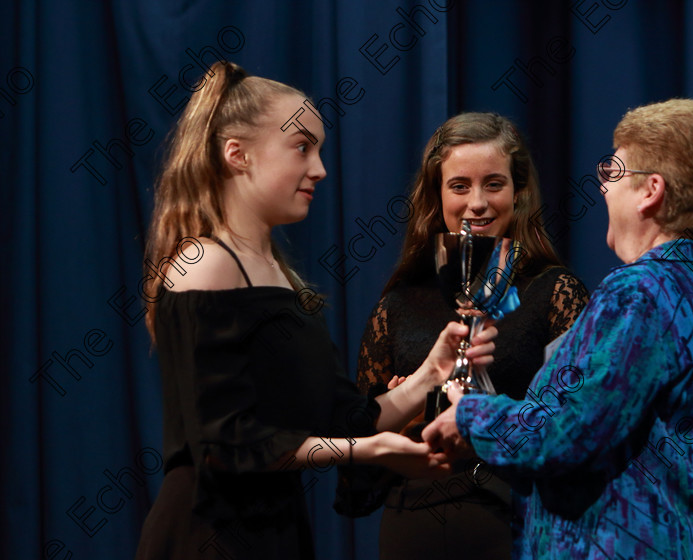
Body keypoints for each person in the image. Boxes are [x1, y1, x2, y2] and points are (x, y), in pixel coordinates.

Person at [134, 61, 497, 560]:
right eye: (302, 147)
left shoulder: (282, 277)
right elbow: (224, 443)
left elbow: (347, 418)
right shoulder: (204, 266)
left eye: (319, 149)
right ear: (237, 155)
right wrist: (366, 451)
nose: (320, 169)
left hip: (276, 533)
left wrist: (429, 376)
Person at [423, 99, 693, 559]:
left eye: (613, 170)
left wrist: (469, 413)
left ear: (650, 191)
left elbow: (566, 435)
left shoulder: (638, 293)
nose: (602, 187)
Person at [345, 112, 589, 560]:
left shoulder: (554, 293)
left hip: (517, 529)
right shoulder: (397, 306)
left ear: (518, 194)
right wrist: (404, 412)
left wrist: (485, 419)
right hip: (412, 529)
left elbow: (578, 433)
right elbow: (358, 462)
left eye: (493, 184)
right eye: (460, 186)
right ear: (436, 197)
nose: (477, 203)